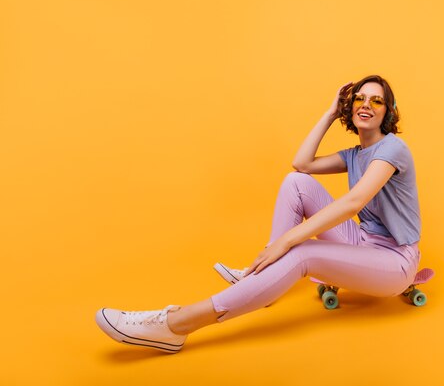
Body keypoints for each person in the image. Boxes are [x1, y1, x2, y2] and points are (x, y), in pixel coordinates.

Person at [95, 74, 422, 353]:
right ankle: (263, 277)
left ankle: (175, 325)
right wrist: (329, 113)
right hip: (362, 243)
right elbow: (302, 164)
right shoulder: (354, 154)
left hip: (395, 261)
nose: (366, 104)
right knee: (296, 182)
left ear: (387, 111)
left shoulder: (393, 148)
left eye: (376, 101)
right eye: (360, 98)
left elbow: (353, 202)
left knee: (302, 253)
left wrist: (287, 241)